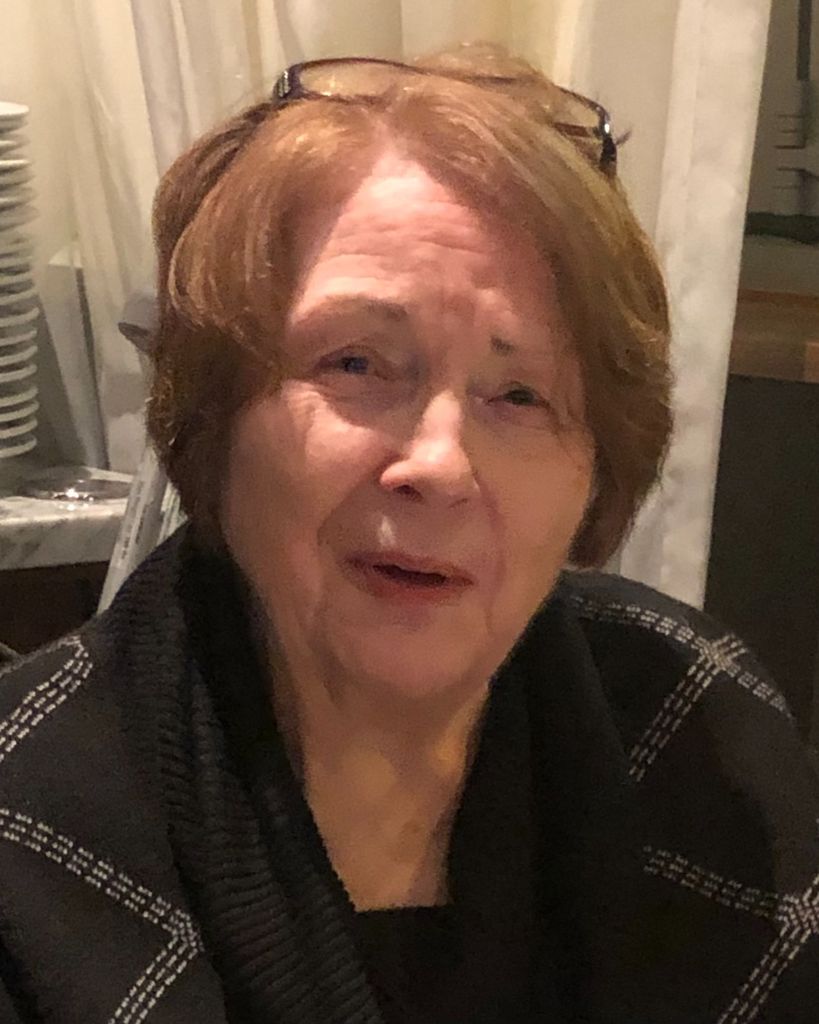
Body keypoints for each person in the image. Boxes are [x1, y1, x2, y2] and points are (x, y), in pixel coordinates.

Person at [1, 44, 817, 1024]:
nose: (441, 464)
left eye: (520, 394)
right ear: (212, 419)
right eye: (356, 363)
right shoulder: (27, 827)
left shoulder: (703, 732)